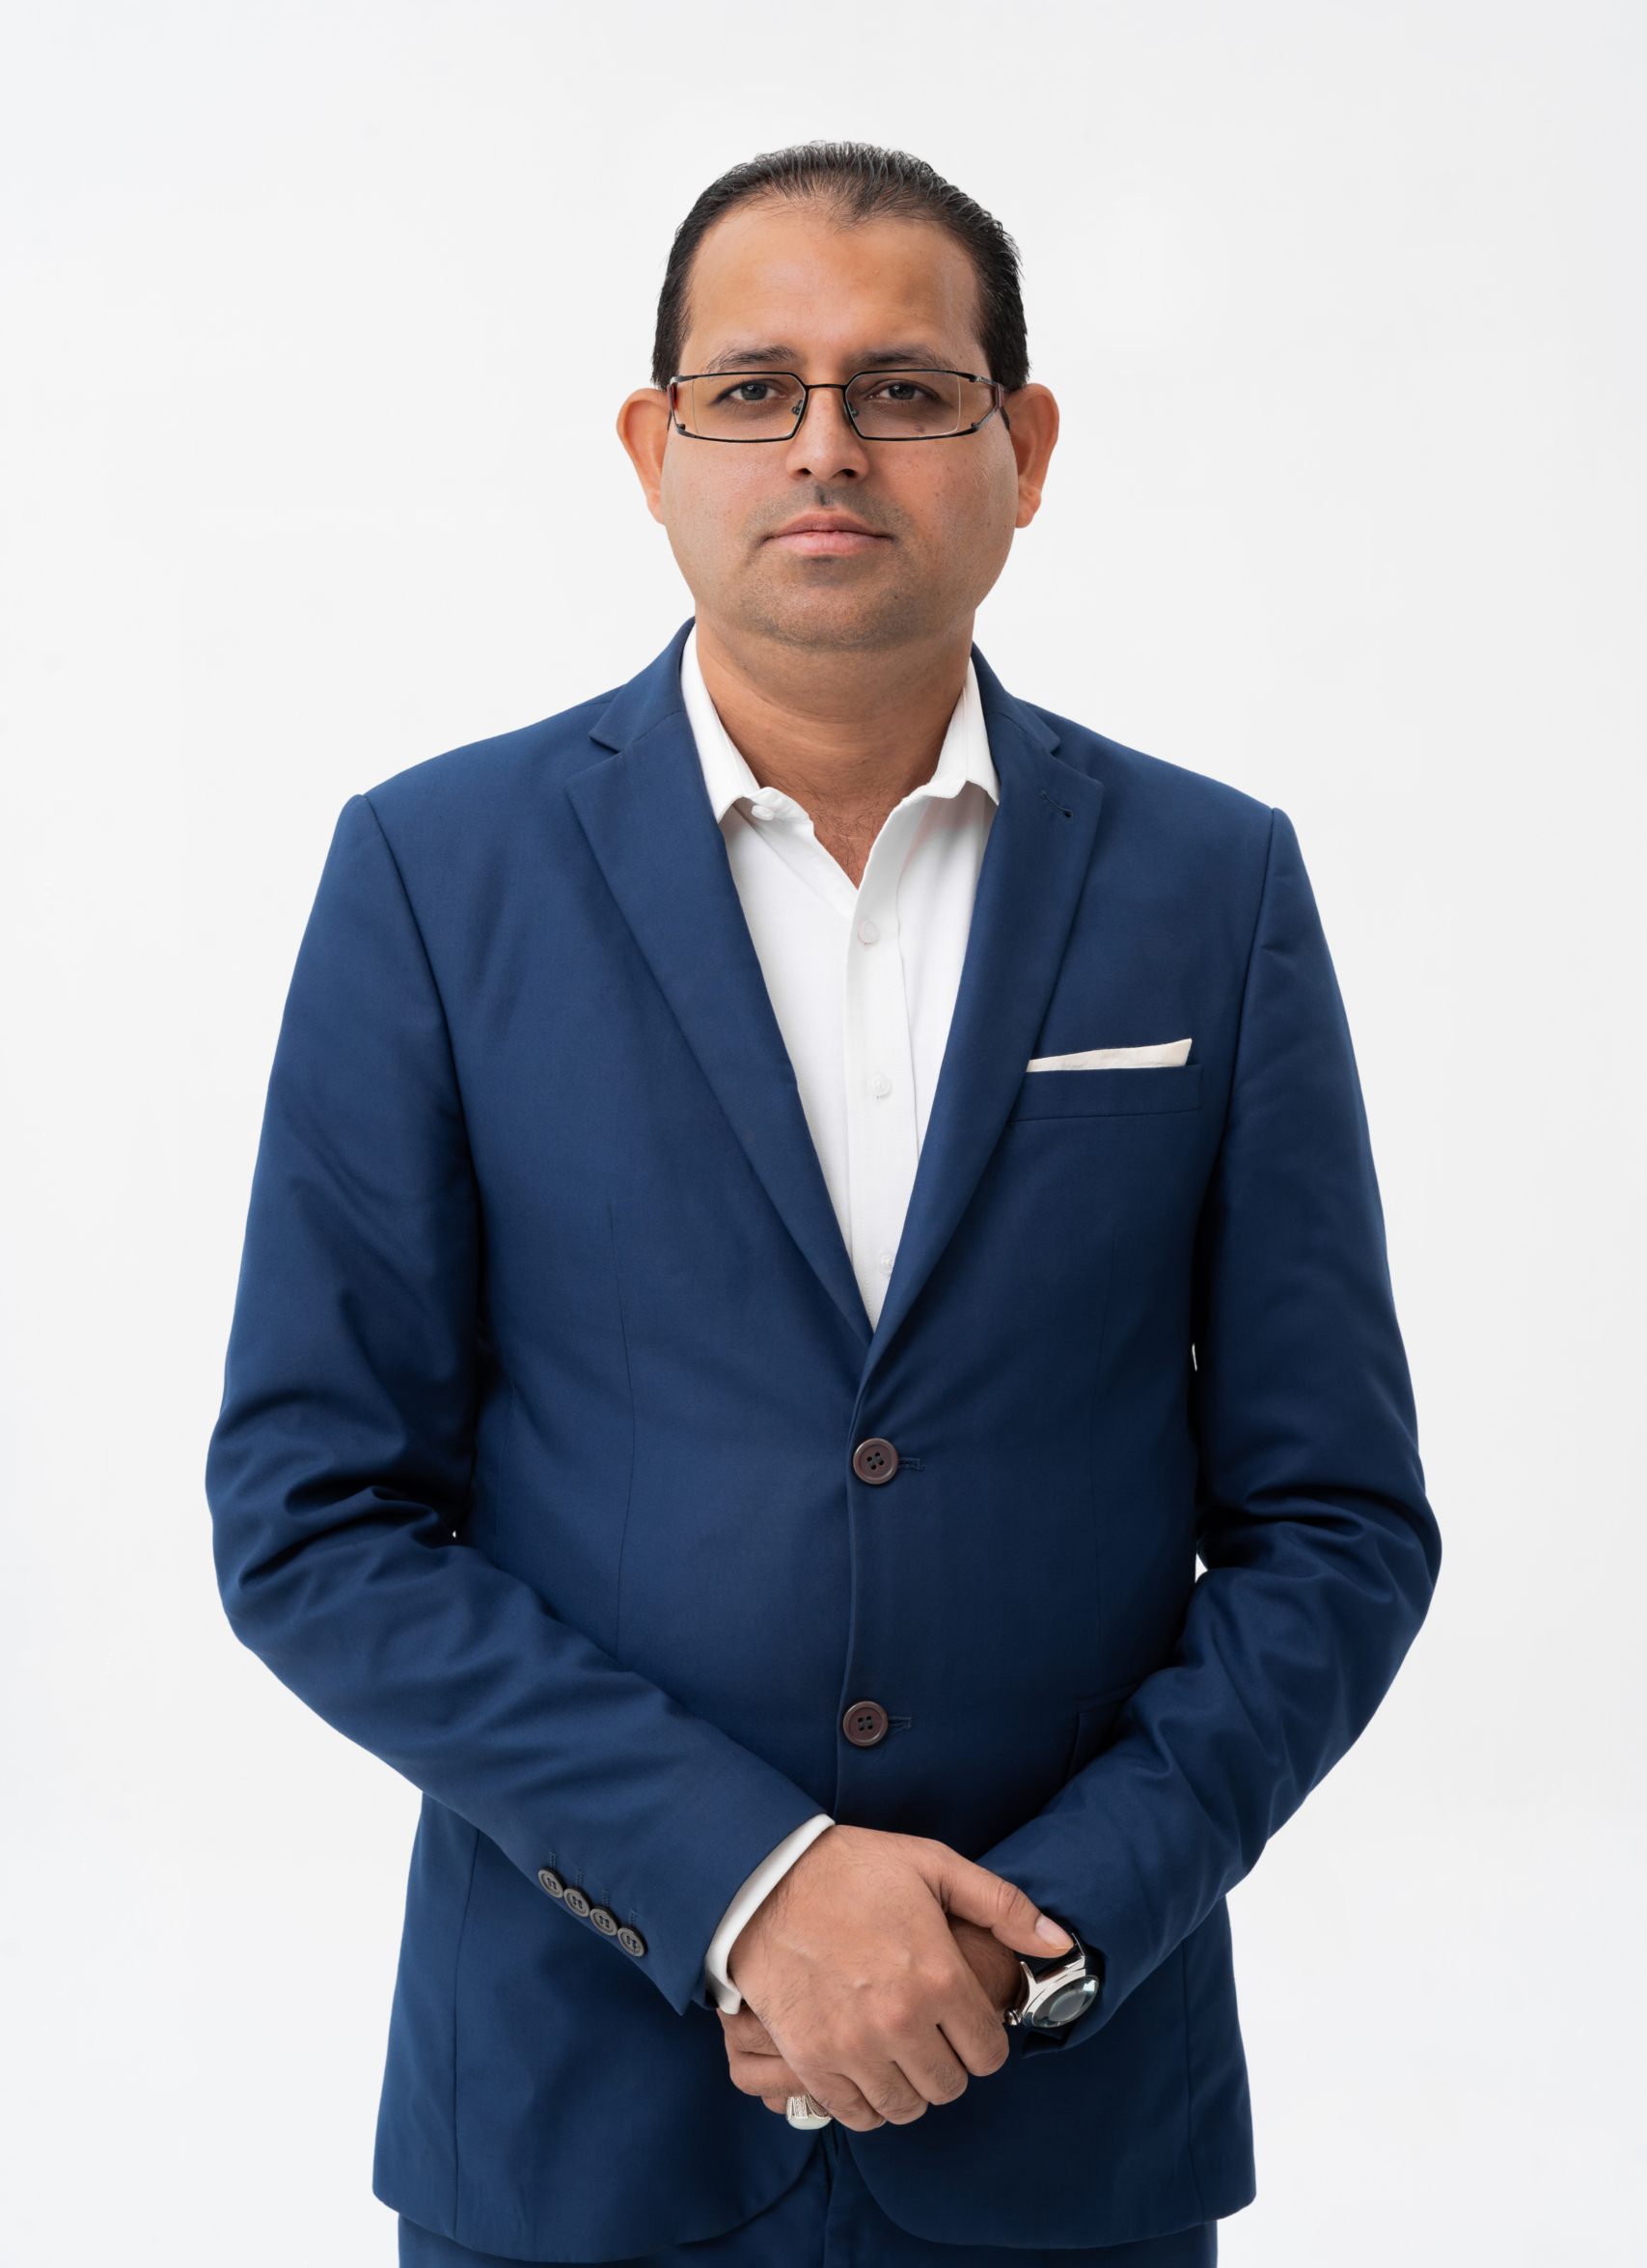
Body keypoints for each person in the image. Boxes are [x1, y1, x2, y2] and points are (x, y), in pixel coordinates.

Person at [207, 142, 1441, 2267]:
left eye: (906, 389)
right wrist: (749, 1882)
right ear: (652, 447)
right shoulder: (432, 872)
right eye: (753, 387)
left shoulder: (1210, 886)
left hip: (1061, 2106)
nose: (825, 445)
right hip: (579, 2115)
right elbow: (314, 1514)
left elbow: (1332, 1520)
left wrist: (1049, 1934)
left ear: (1022, 449)